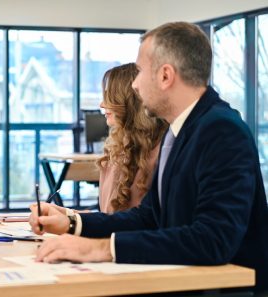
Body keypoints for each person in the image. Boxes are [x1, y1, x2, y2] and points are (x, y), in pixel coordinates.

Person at [29, 22, 268, 293]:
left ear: (165, 76)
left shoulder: (221, 130)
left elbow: (213, 239)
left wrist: (101, 249)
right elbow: (150, 216)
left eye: (140, 71)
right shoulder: (179, 130)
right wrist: (73, 223)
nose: (135, 84)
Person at [98, 63, 167, 213]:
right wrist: (68, 215)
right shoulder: (115, 151)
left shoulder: (161, 153)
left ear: (129, 101)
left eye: (110, 97)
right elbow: (107, 220)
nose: (102, 104)